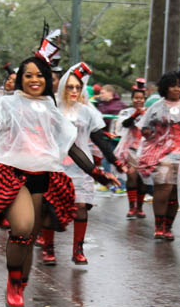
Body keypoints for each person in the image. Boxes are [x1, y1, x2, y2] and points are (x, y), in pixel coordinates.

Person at [0, 41, 119, 307]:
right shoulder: (5, 104)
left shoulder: (51, 109)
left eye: (39, 75)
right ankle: (13, 285)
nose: (34, 80)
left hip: (43, 178)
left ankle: (19, 285)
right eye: (28, 75)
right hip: (10, 175)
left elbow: (71, 146)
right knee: (23, 227)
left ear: (47, 80)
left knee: (29, 238)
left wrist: (97, 173)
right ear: (20, 79)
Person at [41, 63, 125, 265]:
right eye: (69, 87)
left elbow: (99, 140)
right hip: (55, 166)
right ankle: (48, 248)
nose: (74, 91)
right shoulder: (52, 110)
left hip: (82, 166)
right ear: (62, 88)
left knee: (80, 207)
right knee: (50, 208)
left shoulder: (87, 112)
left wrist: (116, 162)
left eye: (77, 88)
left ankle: (78, 249)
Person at [137, 71, 180, 240]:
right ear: (165, 87)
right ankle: (159, 226)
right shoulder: (156, 106)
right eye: (173, 85)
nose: (176, 89)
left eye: (179, 85)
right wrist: (155, 136)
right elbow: (144, 128)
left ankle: (168, 226)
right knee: (163, 188)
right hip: (161, 154)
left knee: (175, 191)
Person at [115, 79, 148, 218]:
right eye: (136, 98)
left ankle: (139, 208)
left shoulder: (150, 112)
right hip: (130, 150)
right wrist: (136, 115)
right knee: (131, 175)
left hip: (146, 150)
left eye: (141, 98)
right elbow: (125, 125)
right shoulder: (126, 112)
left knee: (143, 180)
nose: (138, 100)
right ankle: (131, 207)